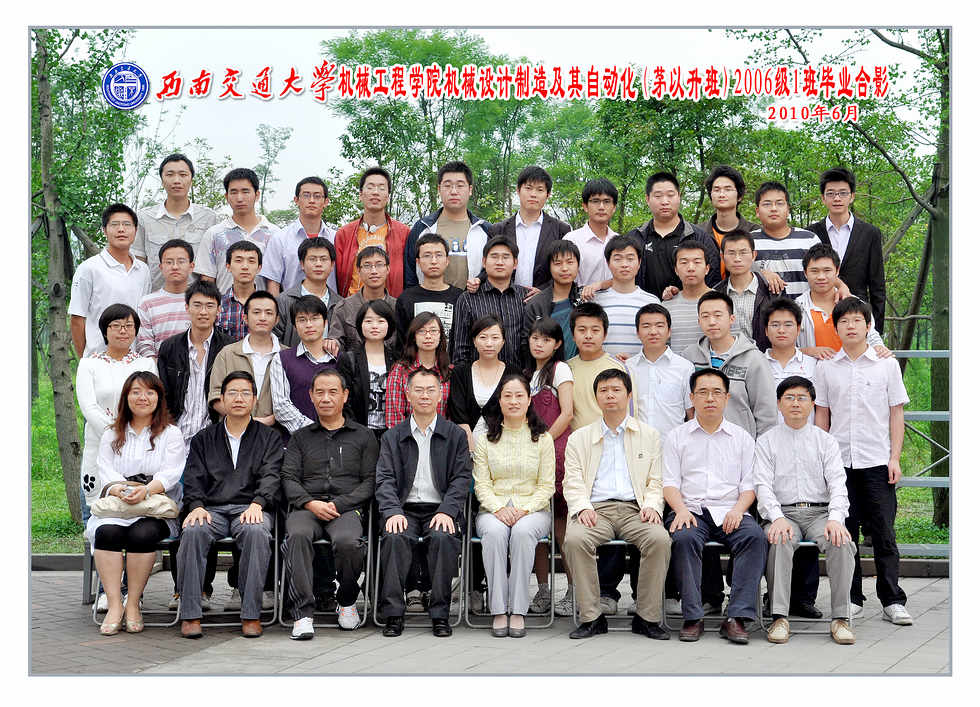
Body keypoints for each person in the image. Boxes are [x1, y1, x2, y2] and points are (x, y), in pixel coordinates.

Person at [814, 297, 913, 626]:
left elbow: (896, 413)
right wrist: (822, 461)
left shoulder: (886, 365)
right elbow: (822, 415)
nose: (851, 326)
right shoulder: (827, 367)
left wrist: (894, 457)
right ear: (836, 328)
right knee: (845, 533)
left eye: (857, 320)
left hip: (877, 461)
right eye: (844, 321)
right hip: (839, 463)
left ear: (868, 326)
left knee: (884, 532)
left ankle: (892, 599)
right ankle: (852, 597)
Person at [562, 369, 672, 640]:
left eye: (616, 390)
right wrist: (582, 507)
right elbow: (572, 481)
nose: (610, 395)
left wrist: (652, 505)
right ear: (596, 397)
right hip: (596, 510)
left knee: (659, 539)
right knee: (575, 540)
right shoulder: (580, 438)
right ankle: (591, 617)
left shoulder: (649, 435)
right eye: (604, 390)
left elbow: (656, 480)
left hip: (636, 509)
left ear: (629, 395)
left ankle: (647, 617)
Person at [663, 368, 768, 643]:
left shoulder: (742, 438)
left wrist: (738, 510)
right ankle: (693, 616)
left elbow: (749, 486)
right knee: (684, 538)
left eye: (716, 392)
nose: (710, 398)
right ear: (692, 398)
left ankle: (737, 617)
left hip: (731, 509)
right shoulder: (677, 436)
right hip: (690, 509)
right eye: (703, 392)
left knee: (755, 537)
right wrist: (681, 510)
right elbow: (670, 483)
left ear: (726, 398)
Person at [176, 371, 283, 639]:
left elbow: (272, 475)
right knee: (193, 531)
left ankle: (251, 614)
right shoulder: (204, 438)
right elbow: (193, 477)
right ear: (221, 399)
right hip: (211, 509)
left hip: (251, 507)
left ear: (255, 400)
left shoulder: (269, 437)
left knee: (256, 532)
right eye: (232, 393)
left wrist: (259, 503)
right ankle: (190, 614)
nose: (239, 398)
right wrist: (196, 505)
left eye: (245, 393)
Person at [755, 376, 857, 645]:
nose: (795, 403)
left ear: (812, 403)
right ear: (779, 404)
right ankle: (779, 616)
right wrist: (776, 518)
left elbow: (838, 484)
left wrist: (836, 519)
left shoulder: (826, 441)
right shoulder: (766, 441)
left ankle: (841, 618)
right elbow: (762, 486)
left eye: (802, 398)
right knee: (780, 539)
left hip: (820, 514)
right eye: (789, 398)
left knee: (841, 542)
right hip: (783, 513)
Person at [281, 369, 379, 639]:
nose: (326, 398)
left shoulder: (364, 436)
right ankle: (303, 613)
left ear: (345, 396)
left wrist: (340, 503)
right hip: (307, 508)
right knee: (297, 536)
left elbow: (370, 481)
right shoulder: (300, 437)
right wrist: (310, 503)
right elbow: (288, 478)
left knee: (349, 543)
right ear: (311, 396)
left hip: (345, 508)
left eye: (333, 392)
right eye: (320, 392)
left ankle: (346, 601)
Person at [376, 368, 472, 637]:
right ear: (407, 395)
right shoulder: (392, 436)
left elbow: (461, 478)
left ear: (440, 395)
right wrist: (392, 511)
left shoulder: (454, 435)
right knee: (394, 537)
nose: (425, 396)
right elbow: (384, 479)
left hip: (440, 509)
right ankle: (394, 613)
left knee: (443, 537)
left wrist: (448, 511)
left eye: (431, 390)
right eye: (418, 390)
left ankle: (440, 614)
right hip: (403, 509)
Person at [85, 371, 183, 635]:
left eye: (150, 392)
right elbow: (105, 468)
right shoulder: (111, 433)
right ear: (126, 397)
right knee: (107, 533)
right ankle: (115, 604)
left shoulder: (171, 433)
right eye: (136, 392)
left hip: (154, 506)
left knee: (143, 534)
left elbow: (171, 472)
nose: (143, 398)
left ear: (159, 398)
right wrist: (120, 489)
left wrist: (145, 491)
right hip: (119, 503)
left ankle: (133, 604)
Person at [157, 279, 234, 610]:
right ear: (187, 308)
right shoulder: (170, 348)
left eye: (210, 306)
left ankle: (203, 588)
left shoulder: (228, 347)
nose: (203, 312)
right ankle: (181, 587)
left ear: (218, 310)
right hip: (177, 439)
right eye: (197, 305)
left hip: (213, 440)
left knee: (208, 508)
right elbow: (163, 395)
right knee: (181, 510)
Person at [625, 303, 695, 616]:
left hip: (674, 457)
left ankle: (670, 594)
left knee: (671, 524)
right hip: (637, 458)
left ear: (669, 330)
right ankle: (639, 595)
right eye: (646, 326)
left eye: (659, 326)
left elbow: (691, 415)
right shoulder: (628, 368)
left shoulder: (684, 368)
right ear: (637, 332)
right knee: (641, 523)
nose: (653, 331)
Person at [473, 374, 555, 637]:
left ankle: (518, 610)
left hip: (533, 510)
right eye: (507, 395)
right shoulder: (486, 439)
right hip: (492, 509)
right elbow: (481, 484)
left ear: (529, 400)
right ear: (499, 400)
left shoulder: (543, 439)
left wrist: (524, 510)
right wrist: (498, 508)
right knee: (494, 533)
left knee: (521, 532)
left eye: (519, 395)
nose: (513, 401)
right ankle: (499, 609)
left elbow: (547, 486)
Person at [76, 305, 157, 522]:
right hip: (99, 440)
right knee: (99, 509)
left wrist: (131, 435)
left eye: (129, 326)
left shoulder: (146, 364)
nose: (123, 331)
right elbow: (88, 406)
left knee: (136, 509)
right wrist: (115, 433)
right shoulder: (89, 364)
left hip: (138, 442)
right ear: (105, 330)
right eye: (116, 325)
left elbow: (151, 402)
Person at [524, 318, 575, 615]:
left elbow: (567, 413)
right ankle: (542, 590)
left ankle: (574, 589)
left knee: (561, 527)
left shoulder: (560, 369)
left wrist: (543, 442)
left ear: (557, 344)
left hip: (556, 454)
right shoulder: (528, 374)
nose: (539, 343)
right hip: (531, 455)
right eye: (535, 338)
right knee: (537, 526)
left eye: (545, 339)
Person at [681, 291, 778, 439]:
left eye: (718, 315)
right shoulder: (689, 356)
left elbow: (766, 412)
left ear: (731, 319)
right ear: (699, 321)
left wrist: (761, 448)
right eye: (705, 316)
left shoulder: (753, 359)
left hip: (740, 444)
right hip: (698, 442)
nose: (712, 322)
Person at [807, 167, 886, 335]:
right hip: (819, 316)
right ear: (823, 198)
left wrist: (877, 329)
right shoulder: (810, 233)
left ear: (852, 196)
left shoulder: (870, 233)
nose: (837, 198)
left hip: (857, 316)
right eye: (831, 193)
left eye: (843, 193)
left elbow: (877, 286)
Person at [70, 204, 152, 357]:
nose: (121, 229)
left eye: (127, 224)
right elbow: (77, 318)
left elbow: (144, 315)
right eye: (114, 224)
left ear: (135, 231)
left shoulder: (143, 270)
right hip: (98, 358)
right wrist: (85, 360)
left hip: (134, 358)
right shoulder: (89, 268)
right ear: (104, 230)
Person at [628, 172, 721, 299]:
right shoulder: (634, 239)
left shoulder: (700, 238)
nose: (665, 201)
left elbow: (713, 280)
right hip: (643, 308)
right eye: (658, 196)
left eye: (670, 195)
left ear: (679, 197)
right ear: (647, 199)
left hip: (689, 307)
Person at [134, 153, 219, 290]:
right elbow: (138, 262)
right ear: (162, 180)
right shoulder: (144, 217)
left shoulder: (209, 218)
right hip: (154, 297)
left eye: (183, 175)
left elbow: (213, 265)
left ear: (191, 180)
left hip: (195, 299)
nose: (176, 180)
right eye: (170, 175)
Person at [403, 160, 492, 291]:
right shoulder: (422, 228)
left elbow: (492, 269)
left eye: (460, 185)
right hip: (430, 300)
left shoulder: (485, 229)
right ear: (439, 189)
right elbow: (410, 272)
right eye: (448, 185)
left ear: (470, 190)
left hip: (473, 301)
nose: (454, 191)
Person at [751, 181, 846, 300]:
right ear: (757, 211)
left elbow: (824, 271)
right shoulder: (749, 242)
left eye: (779, 203)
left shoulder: (809, 239)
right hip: (763, 310)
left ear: (788, 209)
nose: (774, 209)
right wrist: (760, 274)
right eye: (767, 204)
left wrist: (841, 286)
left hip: (804, 309)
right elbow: (739, 276)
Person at [796, 243, 887, 360]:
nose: (821, 277)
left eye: (827, 270)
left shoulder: (857, 305)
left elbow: (872, 336)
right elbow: (784, 349)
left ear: (837, 271)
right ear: (805, 273)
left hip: (853, 369)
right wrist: (808, 351)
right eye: (814, 271)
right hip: (811, 370)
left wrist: (880, 348)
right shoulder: (797, 308)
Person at [448, 314, 523, 454]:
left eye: (495, 338)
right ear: (474, 341)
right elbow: (459, 416)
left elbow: (518, 412)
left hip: (505, 449)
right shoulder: (460, 373)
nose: (489, 343)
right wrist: (470, 453)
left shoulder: (514, 373)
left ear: (503, 341)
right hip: (466, 448)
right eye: (483, 337)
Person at [194, 168, 277, 295]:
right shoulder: (214, 234)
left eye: (245, 191)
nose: (239, 198)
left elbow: (276, 279)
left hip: (262, 306)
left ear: (257, 195)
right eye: (233, 192)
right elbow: (207, 278)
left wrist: (272, 306)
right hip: (224, 306)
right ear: (226, 197)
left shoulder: (274, 234)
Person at [451, 236, 529, 368]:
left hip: (518, 376)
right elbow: (461, 348)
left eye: (505, 257)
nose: (500, 262)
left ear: (515, 263)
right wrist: (465, 377)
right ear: (484, 262)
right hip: (478, 376)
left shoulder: (526, 297)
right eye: (494, 256)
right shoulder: (468, 299)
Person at [489, 165, 571, 289]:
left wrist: (543, 291)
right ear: (518, 190)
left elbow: (566, 269)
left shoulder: (561, 230)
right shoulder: (498, 230)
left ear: (548, 194)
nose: (533, 194)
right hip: (504, 297)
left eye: (540, 190)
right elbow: (489, 267)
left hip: (546, 298)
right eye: (528, 188)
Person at [208, 291, 281, 429]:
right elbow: (215, 397)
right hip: (232, 431)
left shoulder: (286, 355)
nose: (263, 317)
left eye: (269, 313)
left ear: (277, 319)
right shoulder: (227, 354)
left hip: (275, 432)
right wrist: (246, 420)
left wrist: (272, 419)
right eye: (256, 312)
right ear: (245, 318)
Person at [269, 295, 339, 435]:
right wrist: (313, 431)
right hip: (297, 440)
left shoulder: (339, 358)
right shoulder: (282, 359)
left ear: (325, 323)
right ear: (294, 326)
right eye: (302, 320)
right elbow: (281, 405)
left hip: (339, 439)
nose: (309, 325)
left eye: (314, 318)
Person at [334, 166, 408, 297]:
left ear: (388, 196)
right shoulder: (344, 234)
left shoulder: (403, 233)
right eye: (370, 187)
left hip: (389, 305)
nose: (375, 192)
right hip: (352, 304)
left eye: (381, 188)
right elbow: (335, 276)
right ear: (361, 195)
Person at [261, 176, 338, 296]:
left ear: (326, 202)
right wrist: (277, 307)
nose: (311, 200)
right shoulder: (280, 239)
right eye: (306, 195)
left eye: (317, 196)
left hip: (332, 306)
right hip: (291, 306)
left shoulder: (337, 238)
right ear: (296, 200)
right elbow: (273, 281)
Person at [337, 300, 399, 441]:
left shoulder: (397, 360)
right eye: (368, 321)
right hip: (357, 434)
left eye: (381, 321)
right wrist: (355, 431)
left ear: (389, 325)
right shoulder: (349, 359)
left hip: (391, 435)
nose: (374, 326)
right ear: (360, 325)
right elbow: (344, 401)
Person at [591, 235, 660, 358]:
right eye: (617, 259)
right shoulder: (596, 301)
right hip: (603, 367)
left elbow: (658, 343)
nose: (624, 264)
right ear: (608, 263)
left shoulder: (652, 302)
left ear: (639, 263)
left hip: (641, 367)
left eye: (630, 259)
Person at [567, 302, 630, 432]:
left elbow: (630, 413)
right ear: (573, 335)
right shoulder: (565, 369)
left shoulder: (618, 368)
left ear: (605, 334)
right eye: (582, 330)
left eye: (595, 330)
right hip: (576, 441)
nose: (588, 336)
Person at [385, 312, 453, 428]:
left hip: (443, 436)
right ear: (414, 337)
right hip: (406, 436)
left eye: (433, 331)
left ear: (441, 336)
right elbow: (394, 419)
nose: (428, 336)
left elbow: (453, 416)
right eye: (422, 331)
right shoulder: (400, 371)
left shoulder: (449, 371)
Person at [274, 236, 343, 349]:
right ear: (302, 264)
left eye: (323, 259)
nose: (318, 264)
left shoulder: (340, 304)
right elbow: (273, 339)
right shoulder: (284, 301)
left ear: (332, 265)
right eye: (312, 259)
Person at [522, 239, 584, 361]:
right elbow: (526, 343)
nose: (564, 268)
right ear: (549, 267)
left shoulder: (584, 300)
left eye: (570, 262)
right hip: (546, 368)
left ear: (578, 266)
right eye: (558, 263)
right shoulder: (536, 305)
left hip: (580, 367)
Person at [395, 232, 464, 342]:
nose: (433, 261)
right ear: (418, 262)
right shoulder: (406, 298)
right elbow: (401, 342)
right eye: (427, 256)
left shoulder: (460, 298)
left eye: (439, 255)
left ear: (447, 260)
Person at [328, 246, 398, 352]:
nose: (374, 271)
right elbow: (336, 341)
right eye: (367, 266)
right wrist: (333, 343)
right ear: (358, 271)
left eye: (379, 265)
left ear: (388, 269)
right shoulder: (344, 307)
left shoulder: (398, 307)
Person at [713, 230, 774, 350]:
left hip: (765, 358)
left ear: (754, 255)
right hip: (728, 358)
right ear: (722, 257)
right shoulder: (715, 294)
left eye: (743, 252)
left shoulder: (772, 291)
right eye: (731, 253)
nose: (737, 259)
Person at [135, 238, 195, 358]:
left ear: (191, 266)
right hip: (159, 366)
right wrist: (157, 366)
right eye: (169, 262)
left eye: (181, 261)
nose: (175, 267)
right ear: (161, 267)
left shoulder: (200, 301)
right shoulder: (147, 303)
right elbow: (144, 344)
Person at [698, 165, 759, 278]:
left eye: (728, 189)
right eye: (716, 190)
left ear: (739, 196)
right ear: (711, 195)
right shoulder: (698, 233)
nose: (721, 194)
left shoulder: (755, 232)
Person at [563, 178, 618, 291]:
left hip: (616, 300)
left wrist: (602, 284)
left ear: (614, 208)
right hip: (580, 300)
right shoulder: (572, 240)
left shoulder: (619, 241)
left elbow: (626, 278)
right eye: (595, 201)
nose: (601, 207)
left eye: (607, 201)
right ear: (585, 206)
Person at [662, 239, 714, 354]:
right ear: (676, 270)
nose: (690, 268)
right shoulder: (666, 306)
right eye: (684, 262)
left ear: (707, 269)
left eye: (697, 262)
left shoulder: (721, 302)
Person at [216, 240, 265, 342]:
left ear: (259, 268)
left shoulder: (269, 305)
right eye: (239, 261)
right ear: (228, 266)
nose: (245, 267)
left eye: (251, 261)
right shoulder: (217, 304)